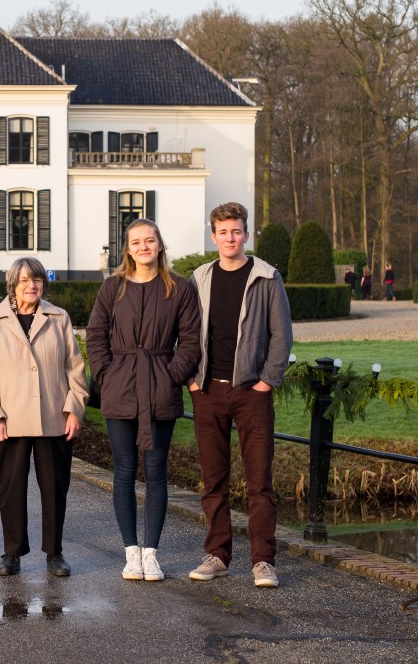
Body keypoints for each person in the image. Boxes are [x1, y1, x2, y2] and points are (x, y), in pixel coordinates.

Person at [86, 219, 201, 582]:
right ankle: (130, 552)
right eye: (136, 242)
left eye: (149, 240)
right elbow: (95, 334)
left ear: (160, 245)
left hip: (160, 386)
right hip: (120, 387)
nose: (143, 247)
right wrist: (105, 374)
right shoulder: (112, 288)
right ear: (128, 248)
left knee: (155, 472)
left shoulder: (178, 288)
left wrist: (170, 375)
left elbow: (191, 338)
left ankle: (151, 552)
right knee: (123, 470)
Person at [187, 202, 293, 588]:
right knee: (214, 480)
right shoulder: (199, 278)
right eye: (223, 232)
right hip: (208, 391)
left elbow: (282, 334)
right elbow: (186, 333)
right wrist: (192, 382)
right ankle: (217, 555)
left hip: (252, 393)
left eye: (236, 231)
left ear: (246, 234)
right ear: (213, 236)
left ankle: (263, 561)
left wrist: (267, 381)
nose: (230, 238)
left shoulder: (266, 277)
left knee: (259, 481)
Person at [0, 257, 88, 577]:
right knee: (11, 489)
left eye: (36, 280)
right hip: (9, 421)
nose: (31, 286)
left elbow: (75, 368)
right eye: (24, 280)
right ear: (13, 284)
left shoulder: (59, 318)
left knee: (54, 488)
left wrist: (74, 409)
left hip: (54, 417)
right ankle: (12, 552)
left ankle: (55, 553)